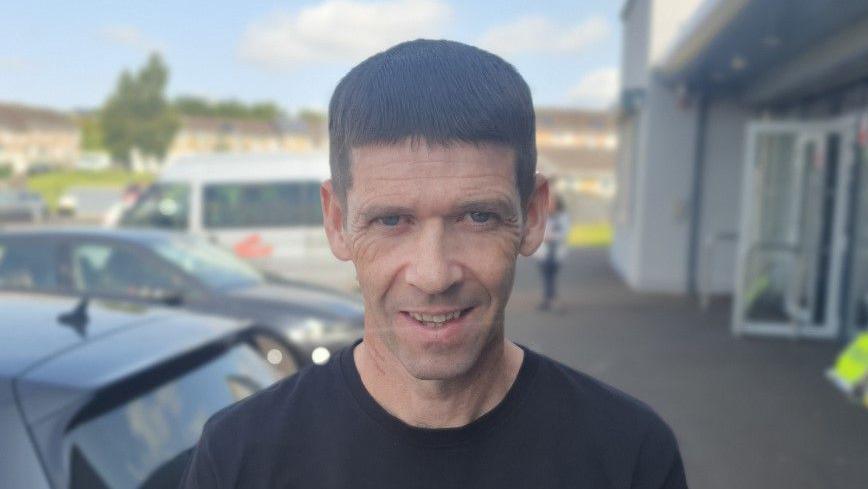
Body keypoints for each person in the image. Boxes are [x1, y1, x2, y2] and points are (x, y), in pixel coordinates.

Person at [180, 39, 687, 489]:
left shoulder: (630, 455)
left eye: (477, 216)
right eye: (391, 221)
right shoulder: (238, 459)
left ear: (533, 216)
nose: (433, 274)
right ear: (337, 222)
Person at [536, 194, 569, 310]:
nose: (550, 205)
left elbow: (563, 233)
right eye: (548, 203)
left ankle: (550, 299)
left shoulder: (562, 217)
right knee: (546, 277)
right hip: (543, 253)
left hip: (555, 252)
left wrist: (550, 237)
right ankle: (549, 299)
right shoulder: (542, 216)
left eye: (552, 203)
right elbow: (537, 232)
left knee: (551, 277)